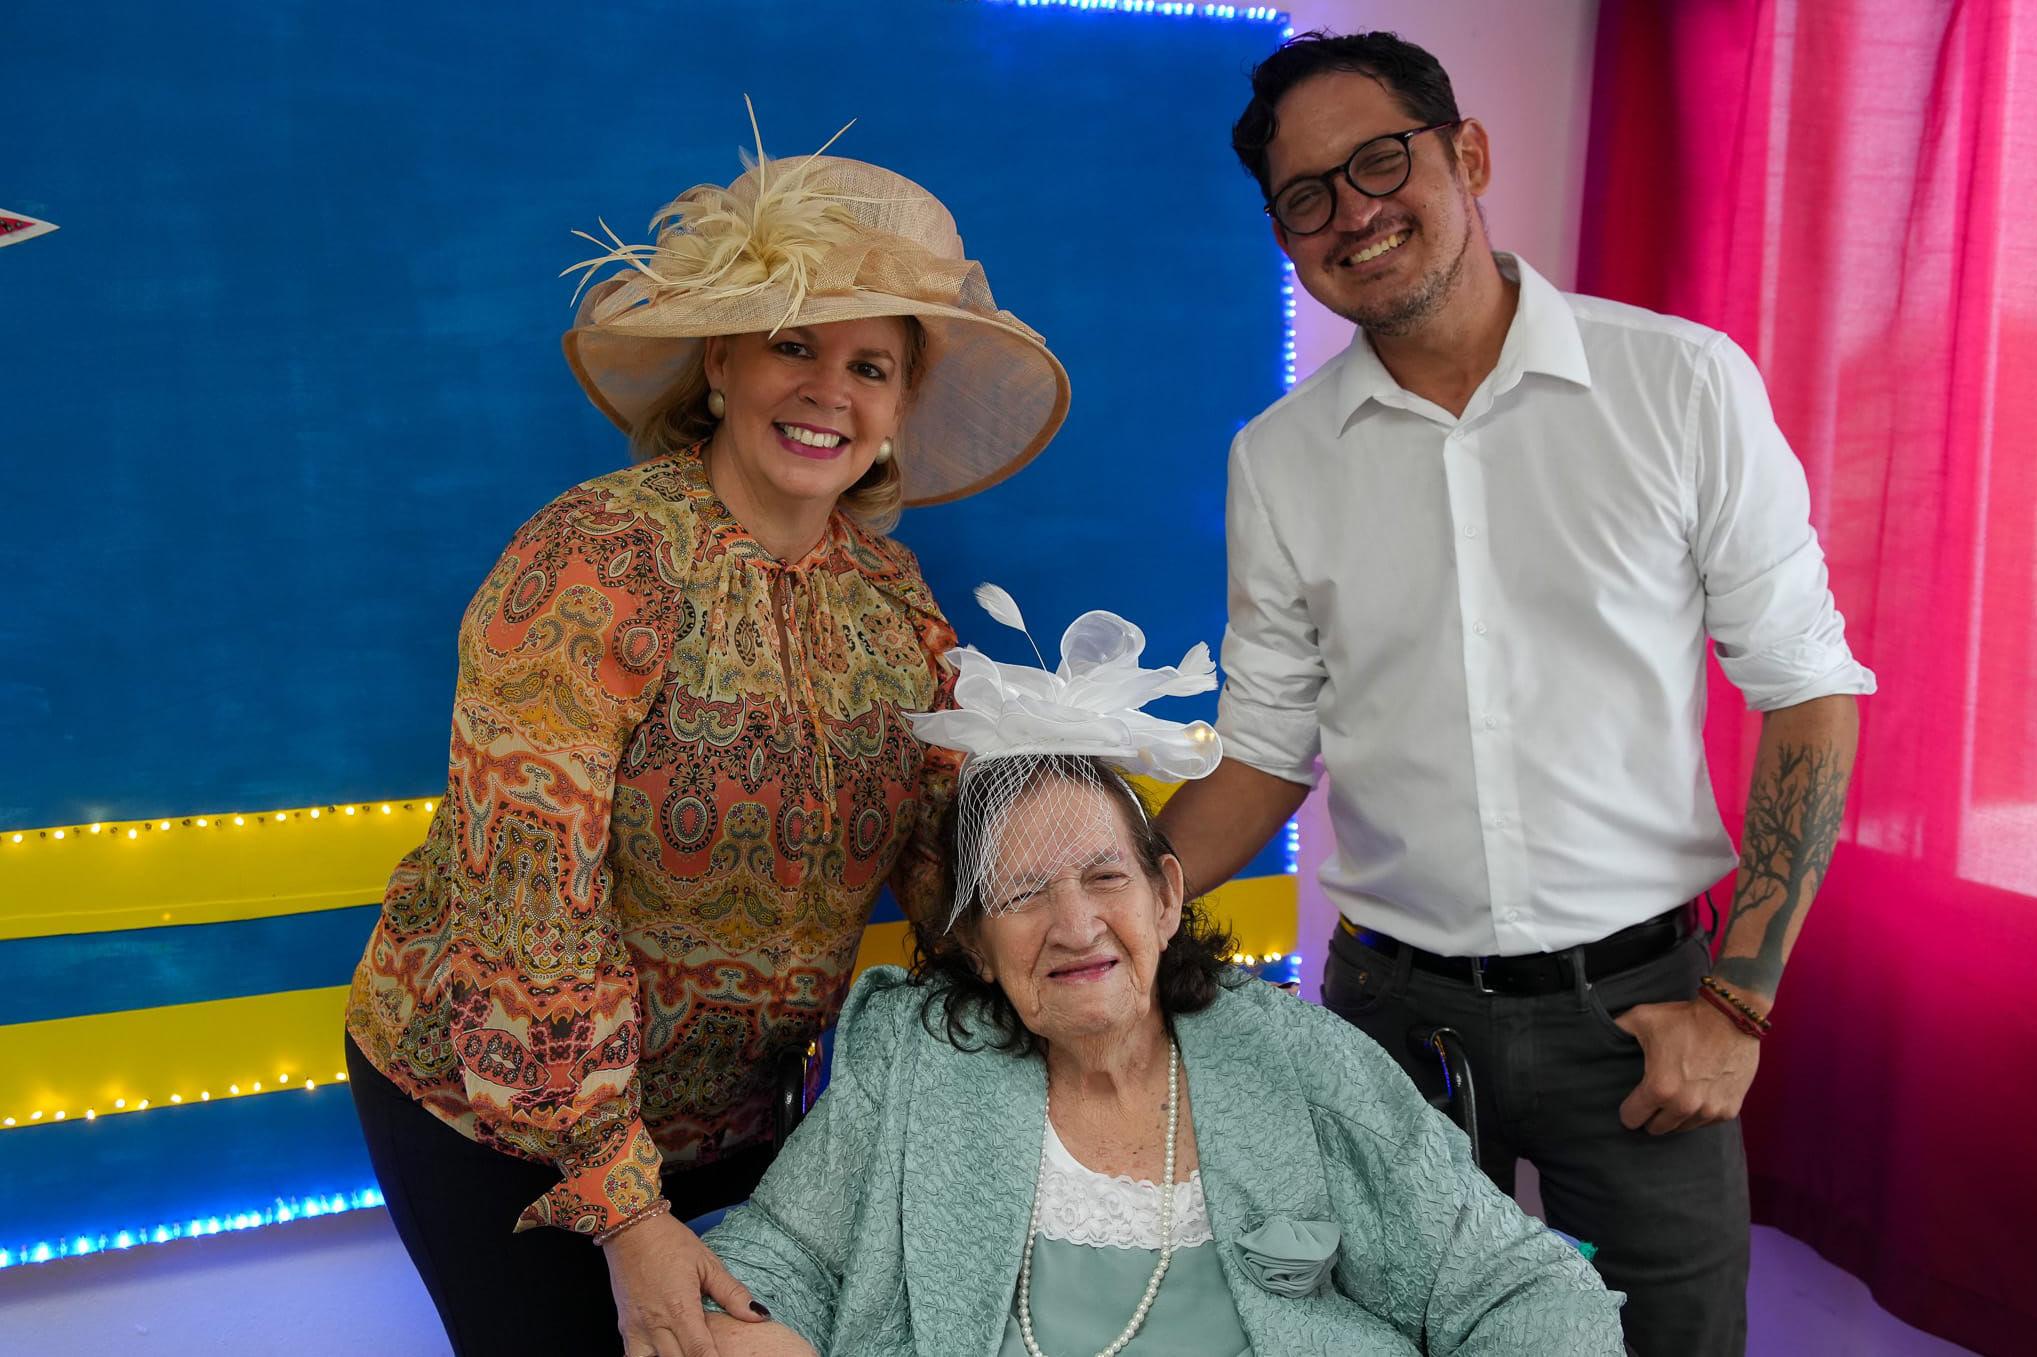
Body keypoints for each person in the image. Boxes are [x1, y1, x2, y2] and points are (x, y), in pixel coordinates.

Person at [1151, 28, 1877, 1356]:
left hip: (1646, 1016)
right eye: (1305, 197)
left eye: (1381, 161)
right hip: (1392, 1026)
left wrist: (1740, 1004)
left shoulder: (1679, 383)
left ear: (1468, 155)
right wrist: (1098, 908)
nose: (1351, 212)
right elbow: (1263, 750)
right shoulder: (1280, 459)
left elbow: (1808, 691)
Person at [341, 124, 1070, 1357]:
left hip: (748, 1121)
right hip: (499, 1120)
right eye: (793, 343)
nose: (829, 390)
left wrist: (1088, 955)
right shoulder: (595, 560)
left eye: (871, 365)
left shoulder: (896, 604)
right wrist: (626, 1211)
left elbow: (949, 861)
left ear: (897, 407)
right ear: (722, 363)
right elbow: (528, 911)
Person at [692, 597, 1626, 1356]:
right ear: (974, 943)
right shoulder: (912, 1055)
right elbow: (777, 1254)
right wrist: (755, 1331)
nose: (1075, 927)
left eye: (1105, 877)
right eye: (1023, 894)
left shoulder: (1291, 1053)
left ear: (1166, 896)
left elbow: (1516, 1282)